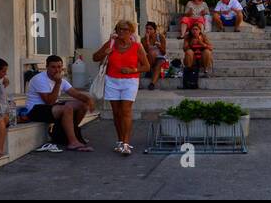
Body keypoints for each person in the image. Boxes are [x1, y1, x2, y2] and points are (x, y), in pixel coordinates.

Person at [92, 20, 149, 156]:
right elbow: (95, 57)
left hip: (130, 81)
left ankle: (126, 143)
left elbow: (146, 66)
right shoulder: (111, 44)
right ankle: (119, 141)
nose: (122, 32)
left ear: (131, 32)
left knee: (126, 111)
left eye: (125, 30)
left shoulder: (136, 46)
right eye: (119, 29)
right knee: (116, 113)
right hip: (112, 80)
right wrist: (105, 53)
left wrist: (132, 70)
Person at [25, 54, 94, 152]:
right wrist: (58, 83)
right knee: (67, 108)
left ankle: (70, 131)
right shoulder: (39, 79)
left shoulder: (61, 80)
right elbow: (49, 101)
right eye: (53, 67)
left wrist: (88, 100)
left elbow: (76, 94)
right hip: (35, 110)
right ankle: (73, 142)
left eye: (59, 67)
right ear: (47, 67)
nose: (57, 70)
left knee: (82, 105)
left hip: (51, 107)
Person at [141, 21, 167, 90]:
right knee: (151, 53)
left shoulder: (160, 37)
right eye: (147, 28)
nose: (148, 30)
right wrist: (147, 41)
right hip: (150, 59)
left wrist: (160, 47)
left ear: (154, 30)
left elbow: (164, 52)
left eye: (150, 29)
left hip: (160, 57)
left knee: (159, 65)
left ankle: (152, 83)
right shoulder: (143, 39)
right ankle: (150, 70)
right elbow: (147, 51)